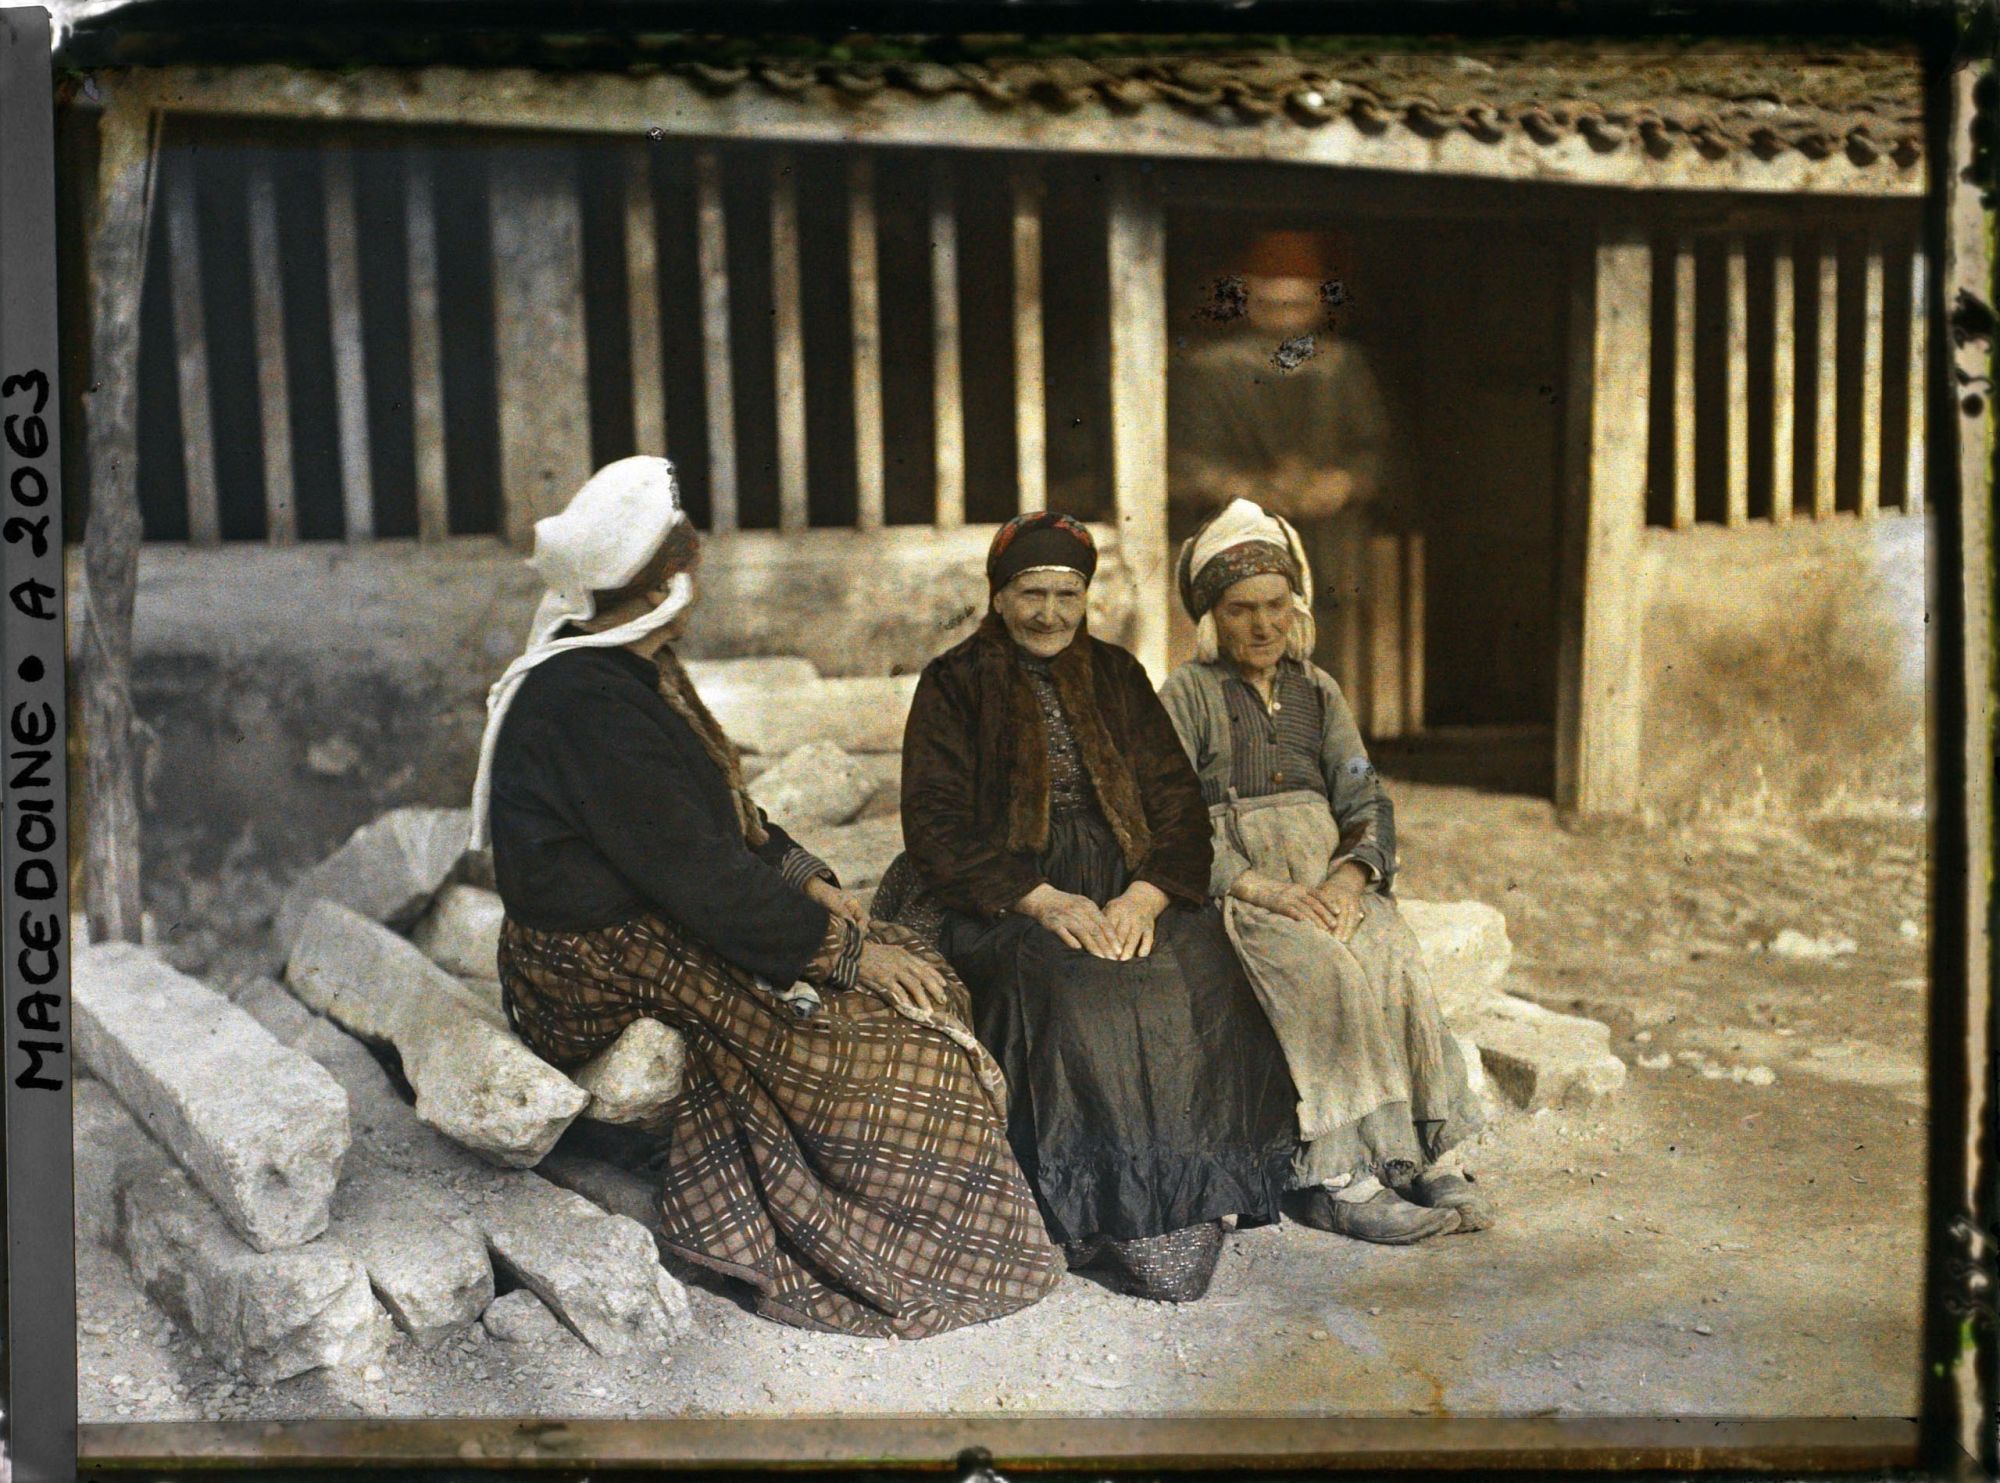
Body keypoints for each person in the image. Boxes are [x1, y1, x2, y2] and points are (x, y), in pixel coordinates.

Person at [469, 456, 1064, 1338]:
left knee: (919, 969)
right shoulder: (583, 703)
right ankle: (938, 1254)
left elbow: (715, 819)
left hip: (659, 913)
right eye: (688, 569)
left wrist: (807, 877)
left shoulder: (631, 671)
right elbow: (701, 878)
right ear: (664, 582)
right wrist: (852, 953)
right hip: (591, 961)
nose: (696, 584)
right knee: (886, 1046)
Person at [874, 511, 1297, 1303]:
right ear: (998, 597)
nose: (1049, 614)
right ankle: (1104, 1210)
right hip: (1005, 892)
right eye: (1031, 594)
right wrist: (1038, 900)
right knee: (1076, 996)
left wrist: (1143, 896)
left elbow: (1177, 802)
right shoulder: (953, 682)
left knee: (1196, 972)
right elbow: (933, 824)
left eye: (1067, 595)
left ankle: (1195, 1196)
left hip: (1124, 877)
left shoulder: (1118, 675)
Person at [1158, 499, 1492, 1244]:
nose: (1262, 625)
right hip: (1245, 892)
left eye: (1276, 606)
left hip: (1327, 879)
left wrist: (1348, 882)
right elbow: (1166, 814)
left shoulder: (1319, 689)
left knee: (1391, 953)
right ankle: (1338, 1178)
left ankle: (1416, 1156)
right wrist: (1260, 886)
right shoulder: (1188, 695)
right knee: (1324, 975)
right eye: (1242, 609)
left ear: (1295, 607)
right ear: (1212, 617)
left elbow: (1364, 794)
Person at [1168, 229, 1394, 672]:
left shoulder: (1344, 367)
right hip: (1240, 538)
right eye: (1273, 305)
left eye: (1297, 306)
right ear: (1249, 302)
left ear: (1318, 306)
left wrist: (1344, 483)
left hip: (1326, 547)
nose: (1286, 319)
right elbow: (1181, 460)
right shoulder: (1211, 370)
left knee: (1318, 665)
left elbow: (1378, 454)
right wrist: (1242, 487)